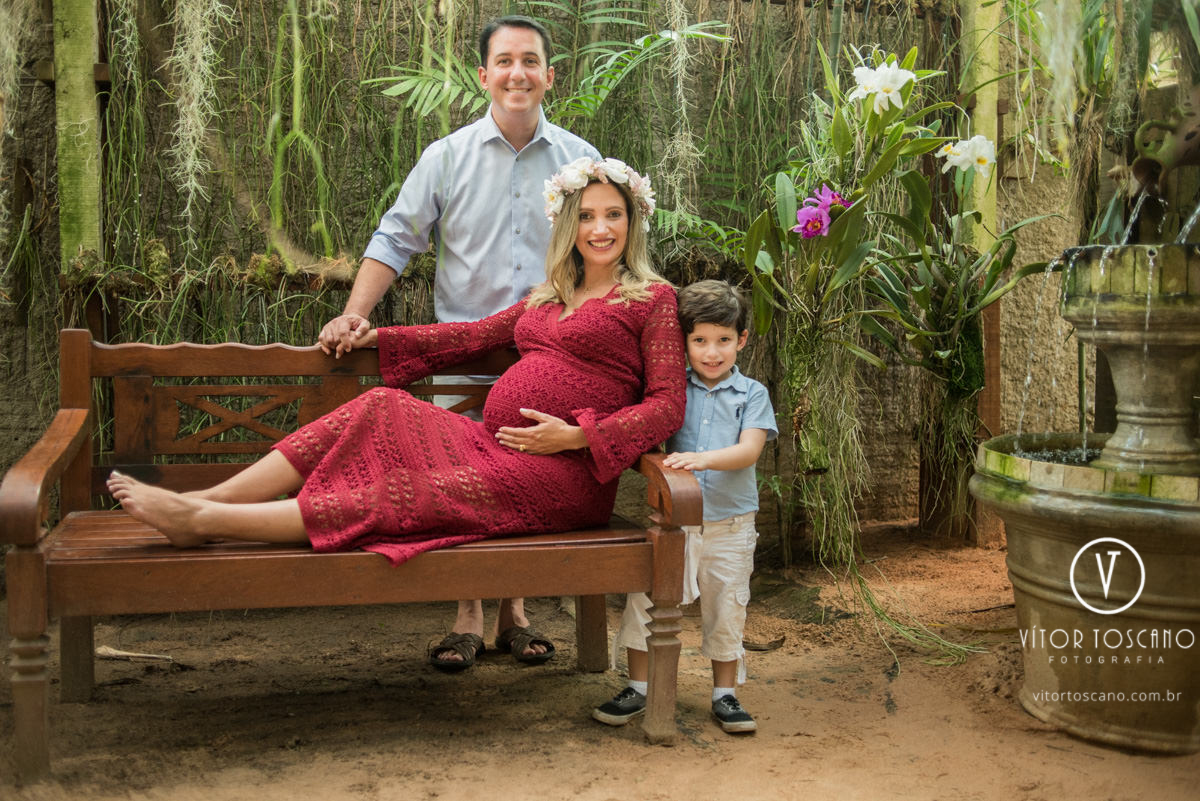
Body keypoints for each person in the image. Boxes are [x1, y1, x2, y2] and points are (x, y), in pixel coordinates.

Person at [107, 162, 686, 675]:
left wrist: (578, 435)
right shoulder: (548, 295)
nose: (601, 228)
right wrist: (373, 334)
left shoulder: (651, 300)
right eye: (587, 215)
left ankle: (205, 522)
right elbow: (466, 336)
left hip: (565, 477)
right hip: (495, 446)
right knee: (381, 404)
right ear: (569, 226)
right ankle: (217, 498)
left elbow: (666, 405)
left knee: (406, 491)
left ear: (633, 222)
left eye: (614, 214)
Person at [318, 15, 601, 670]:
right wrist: (354, 314)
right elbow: (395, 239)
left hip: (546, 354)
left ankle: (515, 612)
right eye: (504, 61)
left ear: (550, 75)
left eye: (530, 61)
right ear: (483, 75)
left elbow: (604, 251)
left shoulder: (580, 163)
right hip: (463, 353)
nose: (517, 73)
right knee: (461, 479)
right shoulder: (445, 157)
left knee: (530, 472)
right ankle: (465, 615)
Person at [591, 280, 777, 734]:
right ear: (683, 342)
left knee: (726, 606)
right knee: (647, 600)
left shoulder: (751, 395)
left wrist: (701, 459)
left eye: (723, 341)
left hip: (731, 525)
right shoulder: (670, 390)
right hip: (673, 523)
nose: (712, 353)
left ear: (742, 340)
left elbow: (749, 451)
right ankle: (638, 687)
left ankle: (725, 695)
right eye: (699, 341)